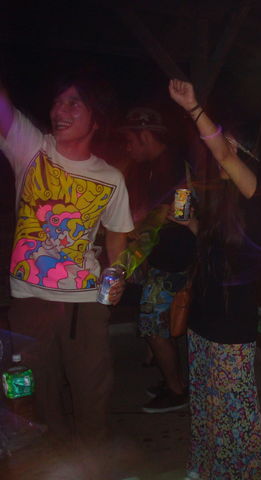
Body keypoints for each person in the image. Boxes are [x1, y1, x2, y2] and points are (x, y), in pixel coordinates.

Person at [0, 70, 133, 446]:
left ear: (96, 118)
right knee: (39, 396)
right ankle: (53, 457)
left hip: (85, 303)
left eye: (74, 103)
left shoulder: (110, 177)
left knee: (92, 391)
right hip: (30, 300)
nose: (60, 110)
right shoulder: (31, 148)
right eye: (58, 102)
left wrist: (118, 274)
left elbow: (117, 234)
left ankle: (92, 459)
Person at [168, 78, 261, 480]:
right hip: (203, 319)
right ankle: (208, 471)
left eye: (227, 144)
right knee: (207, 409)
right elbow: (215, 245)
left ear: (243, 153)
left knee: (236, 415)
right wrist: (190, 223)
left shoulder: (256, 191)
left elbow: (221, 151)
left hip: (232, 323)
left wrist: (193, 108)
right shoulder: (222, 199)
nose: (217, 150)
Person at [119, 107, 195, 413]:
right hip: (161, 257)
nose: (127, 147)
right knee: (155, 323)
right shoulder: (153, 166)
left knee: (152, 325)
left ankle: (177, 391)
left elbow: (176, 211)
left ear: (146, 137)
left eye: (130, 141)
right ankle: (170, 378)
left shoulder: (174, 165)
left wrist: (140, 221)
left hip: (174, 260)